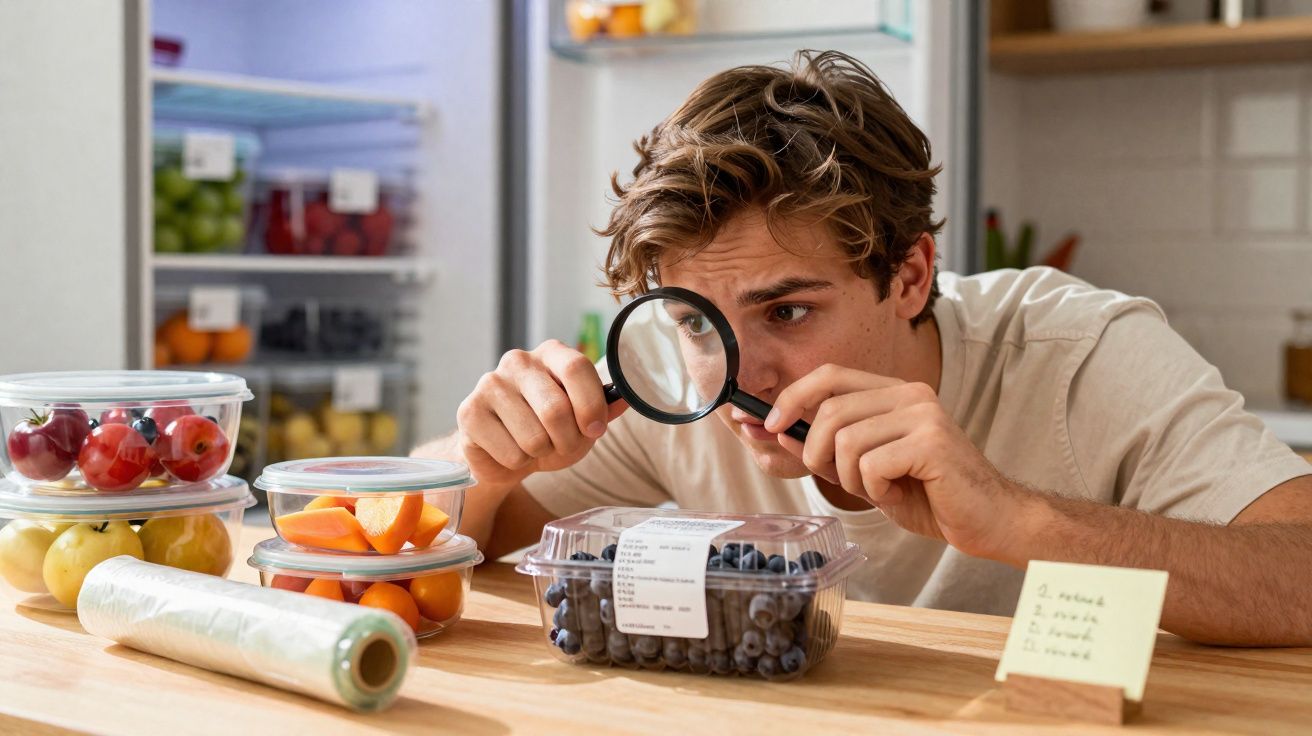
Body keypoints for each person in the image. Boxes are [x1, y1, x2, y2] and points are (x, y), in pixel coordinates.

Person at [415, 50, 1312, 646]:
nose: (740, 378)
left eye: (790, 313)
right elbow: (470, 544)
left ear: (912, 276)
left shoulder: (1076, 352)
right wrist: (482, 467)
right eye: (695, 320)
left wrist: (1017, 521)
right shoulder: (680, 385)